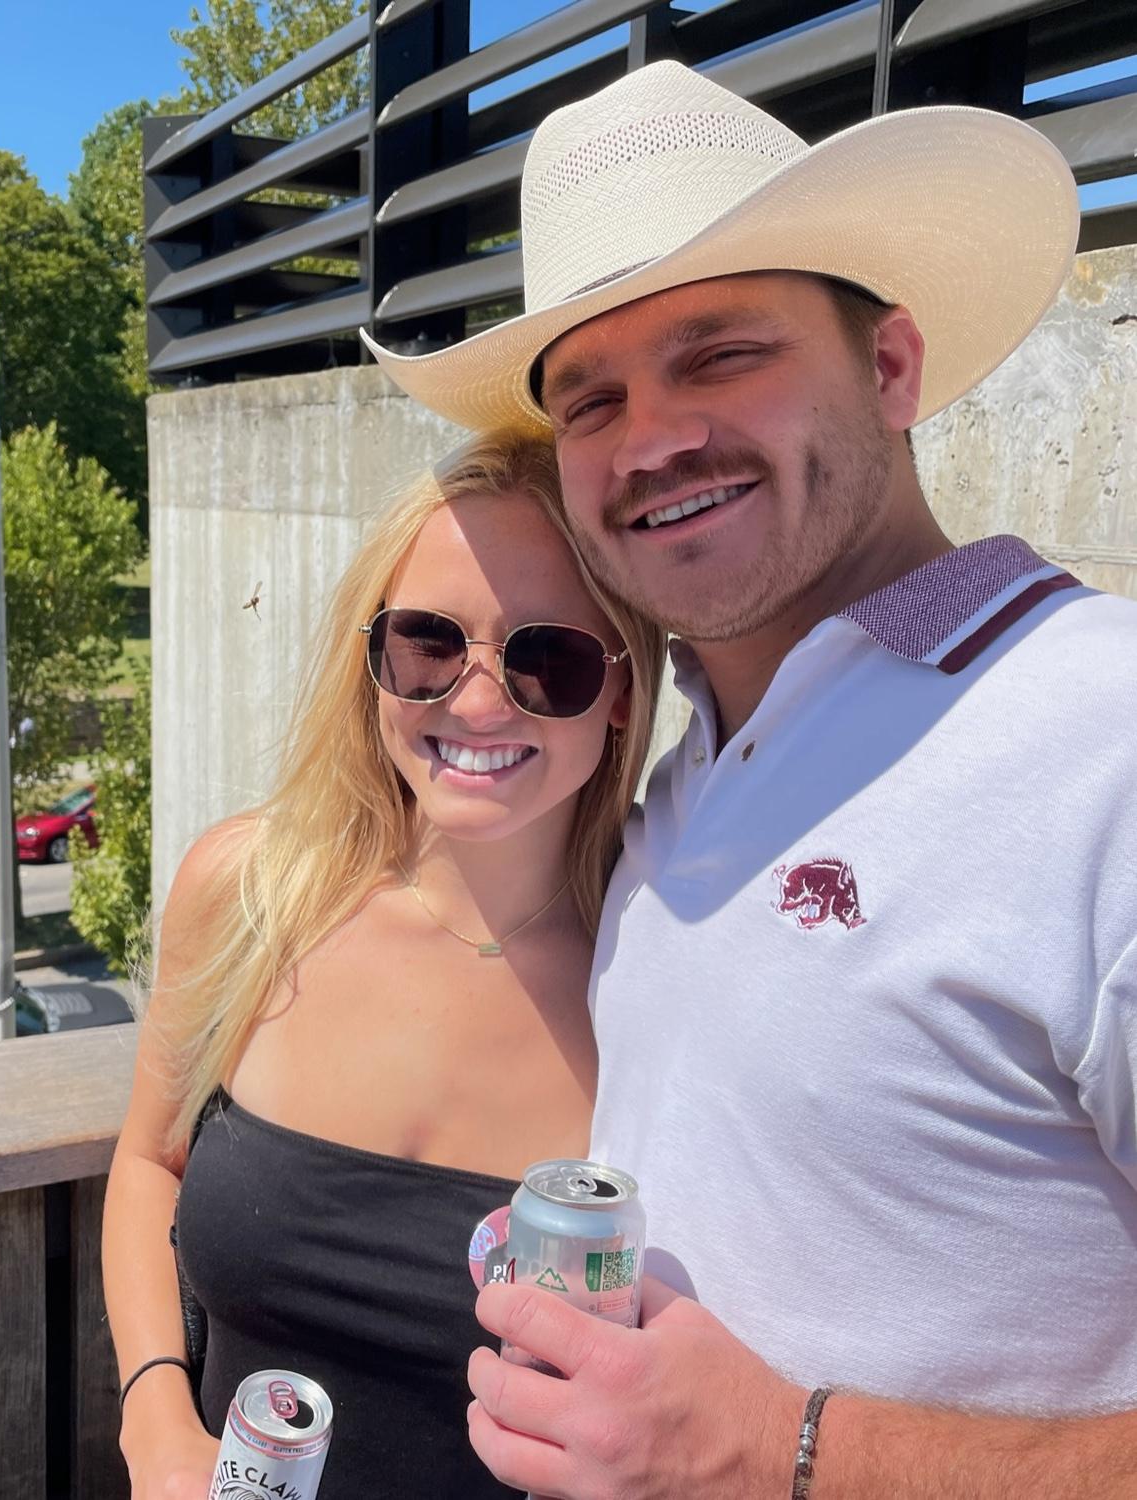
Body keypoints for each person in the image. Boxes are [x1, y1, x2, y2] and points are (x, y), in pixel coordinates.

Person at [367, 59, 1137, 1500]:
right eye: (588, 399)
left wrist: (788, 1449)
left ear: (892, 366)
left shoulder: (1103, 741)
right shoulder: (680, 790)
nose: (652, 439)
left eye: (723, 354)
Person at [102, 431, 666, 1498]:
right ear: (372, 660)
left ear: (624, 692)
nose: (480, 701)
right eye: (429, 644)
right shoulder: (251, 891)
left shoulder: (665, 971)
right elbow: (148, 1165)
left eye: (549, 658)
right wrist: (155, 1425)